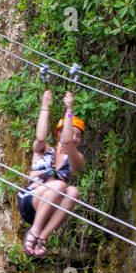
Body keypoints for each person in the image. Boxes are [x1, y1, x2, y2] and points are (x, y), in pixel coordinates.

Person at [18, 85, 85, 257]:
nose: (75, 137)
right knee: (60, 186)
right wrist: (45, 106)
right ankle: (34, 232)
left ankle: (41, 237)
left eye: (80, 135)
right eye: (73, 132)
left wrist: (70, 110)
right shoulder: (44, 150)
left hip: (48, 207)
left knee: (72, 191)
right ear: (59, 132)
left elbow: (68, 141)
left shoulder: (75, 159)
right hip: (30, 200)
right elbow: (41, 137)